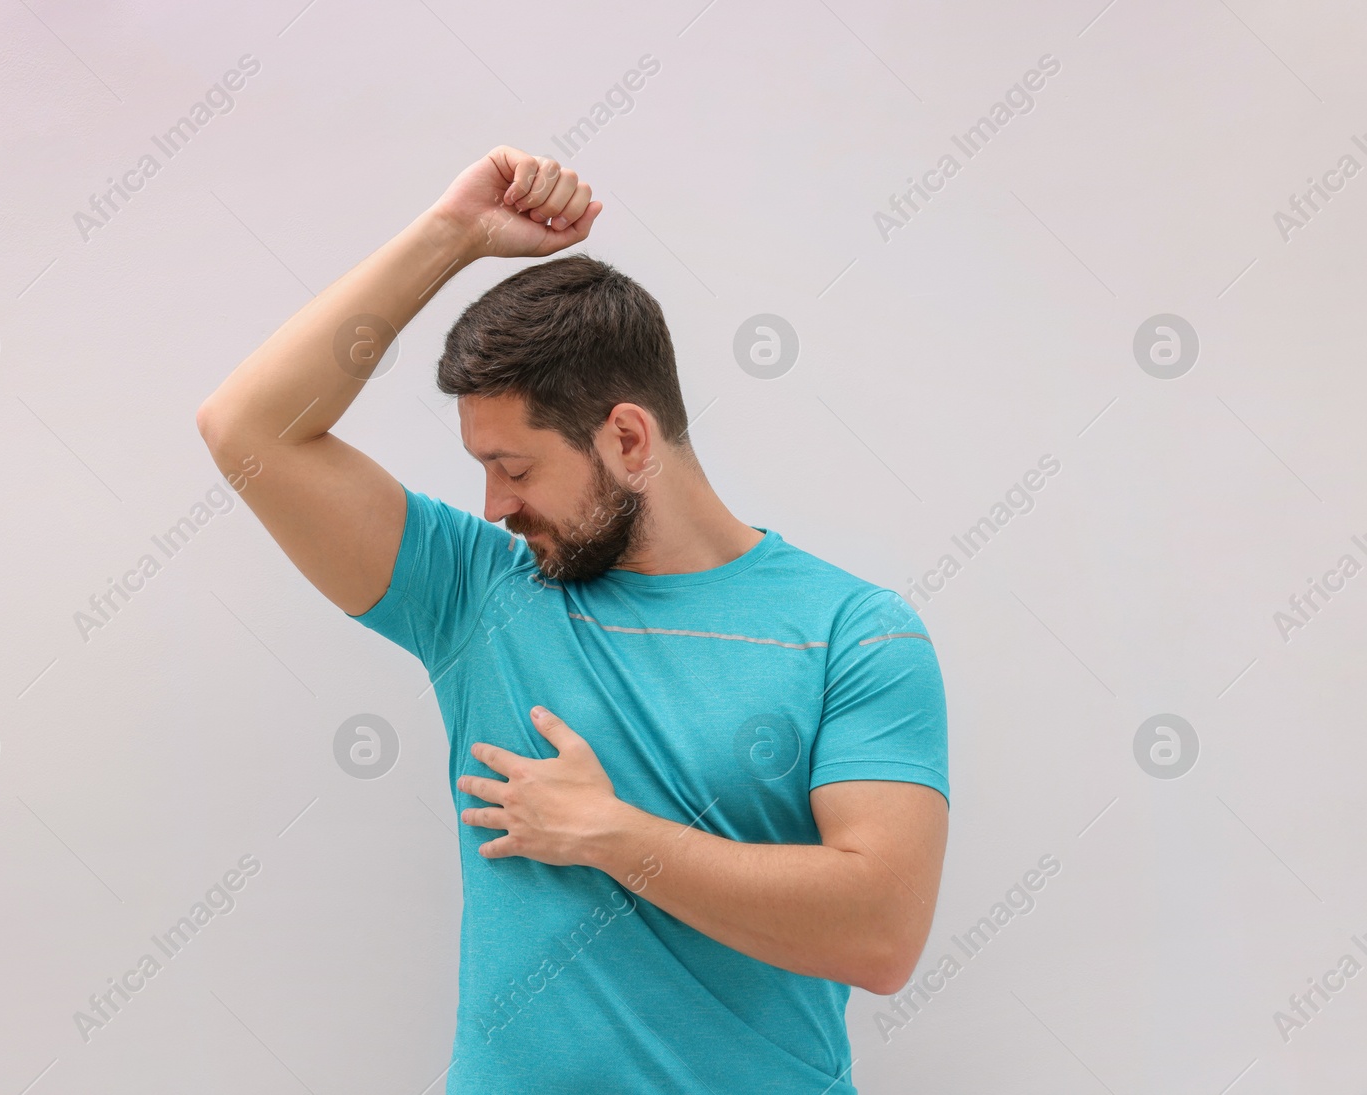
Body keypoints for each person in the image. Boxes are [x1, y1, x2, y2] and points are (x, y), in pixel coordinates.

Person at [196, 145, 949, 1094]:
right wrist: (455, 235)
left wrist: (609, 832)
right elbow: (247, 428)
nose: (492, 507)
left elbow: (880, 932)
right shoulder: (477, 594)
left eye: (514, 468)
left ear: (628, 438)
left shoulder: (855, 631)